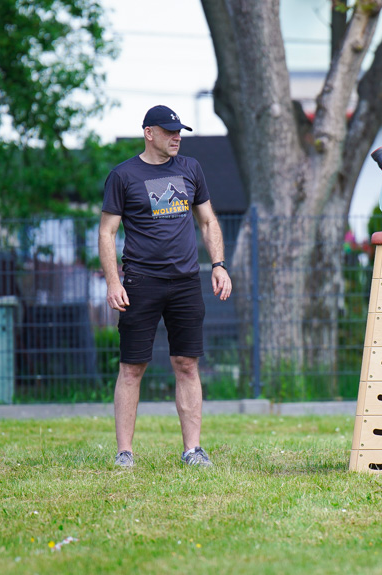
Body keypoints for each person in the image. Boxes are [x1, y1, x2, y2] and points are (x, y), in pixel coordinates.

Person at [99, 105, 232, 469]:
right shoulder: (123, 175)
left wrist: (218, 265)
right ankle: (124, 452)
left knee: (187, 364)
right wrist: (113, 281)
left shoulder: (191, 169)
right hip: (141, 282)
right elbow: (107, 232)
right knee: (132, 366)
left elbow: (207, 222)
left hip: (186, 282)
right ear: (149, 133)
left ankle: (193, 450)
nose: (177, 137)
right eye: (169, 131)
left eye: (179, 131)